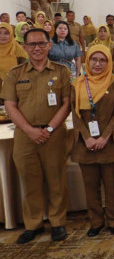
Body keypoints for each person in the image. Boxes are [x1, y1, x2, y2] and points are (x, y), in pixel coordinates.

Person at [1, 28, 72, 244]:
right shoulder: (15, 74)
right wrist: (31, 130)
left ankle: (58, 222)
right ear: (25, 47)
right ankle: (33, 224)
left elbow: (67, 104)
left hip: (54, 135)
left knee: (56, 179)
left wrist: (49, 128)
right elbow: (10, 106)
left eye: (41, 43)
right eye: (31, 44)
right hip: (25, 136)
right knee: (30, 181)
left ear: (50, 45)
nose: (36, 48)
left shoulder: (62, 72)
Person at [70, 45, 114, 236]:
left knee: (112, 185)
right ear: (87, 61)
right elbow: (75, 114)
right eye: (94, 59)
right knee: (90, 186)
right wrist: (87, 138)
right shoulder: (78, 84)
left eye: (103, 60)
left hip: (110, 143)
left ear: (109, 62)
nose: (98, 64)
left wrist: (105, 136)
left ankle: (113, 220)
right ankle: (96, 221)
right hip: (85, 144)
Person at [0, 22, 28, 92]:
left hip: (14, 90)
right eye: (0, 33)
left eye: (6, 33)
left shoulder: (18, 50)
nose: (2, 36)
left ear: (11, 34)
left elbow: (24, 71)